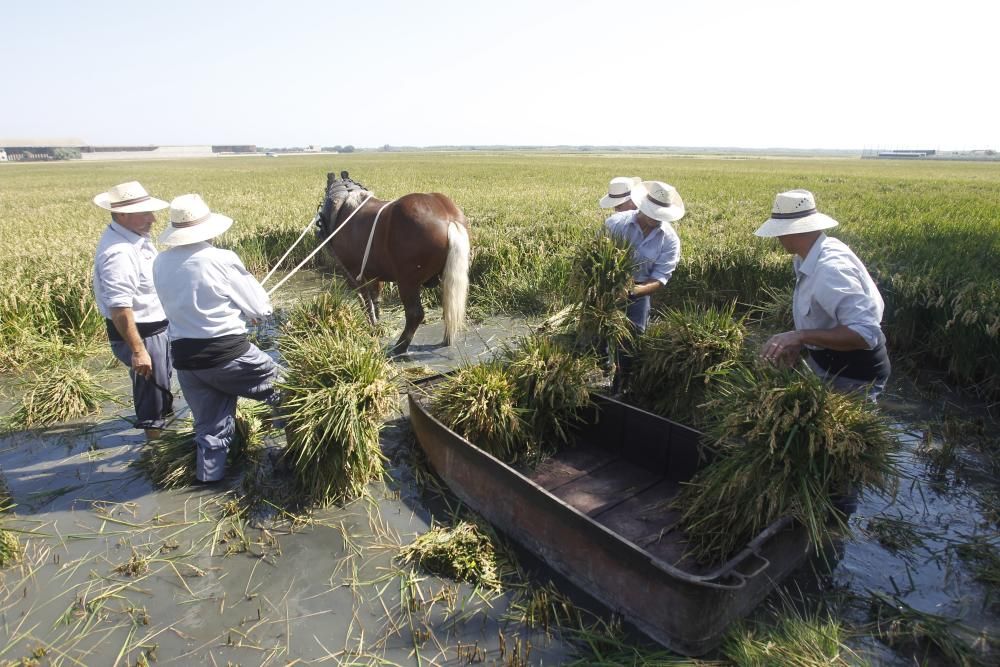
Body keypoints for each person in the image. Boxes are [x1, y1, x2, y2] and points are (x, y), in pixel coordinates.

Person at [153, 194, 280, 483]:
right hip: (230, 357)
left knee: (211, 431)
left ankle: (208, 488)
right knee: (292, 393)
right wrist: (254, 313)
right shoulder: (221, 259)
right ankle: (304, 458)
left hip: (187, 363)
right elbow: (261, 308)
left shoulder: (160, 262)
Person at [755, 189, 890, 401]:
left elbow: (864, 333)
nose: (778, 238)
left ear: (794, 231)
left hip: (853, 378)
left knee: (842, 433)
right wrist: (801, 343)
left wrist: (799, 336)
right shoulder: (809, 255)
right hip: (829, 366)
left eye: (779, 231)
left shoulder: (830, 270)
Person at [93, 181, 173, 441]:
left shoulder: (137, 238)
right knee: (152, 393)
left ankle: (164, 434)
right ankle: (158, 451)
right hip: (143, 335)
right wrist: (139, 351)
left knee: (162, 387)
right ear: (122, 214)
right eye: (145, 213)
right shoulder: (119, 252)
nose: (153, 218)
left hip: (155, 330)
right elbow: (120, 309)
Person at [605, 181, 685, 389]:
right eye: (654, 214)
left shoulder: (670, 240)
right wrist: (607, 286)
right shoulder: (615, 225)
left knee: (633, 338)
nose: (658, 219)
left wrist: (632, 292)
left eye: (662, 215)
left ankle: (622, 383)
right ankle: (601, 367)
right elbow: (595, 257)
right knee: (597, 332)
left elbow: (659, 279)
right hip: (604, 286)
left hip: (638, 292)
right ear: (643, 208)